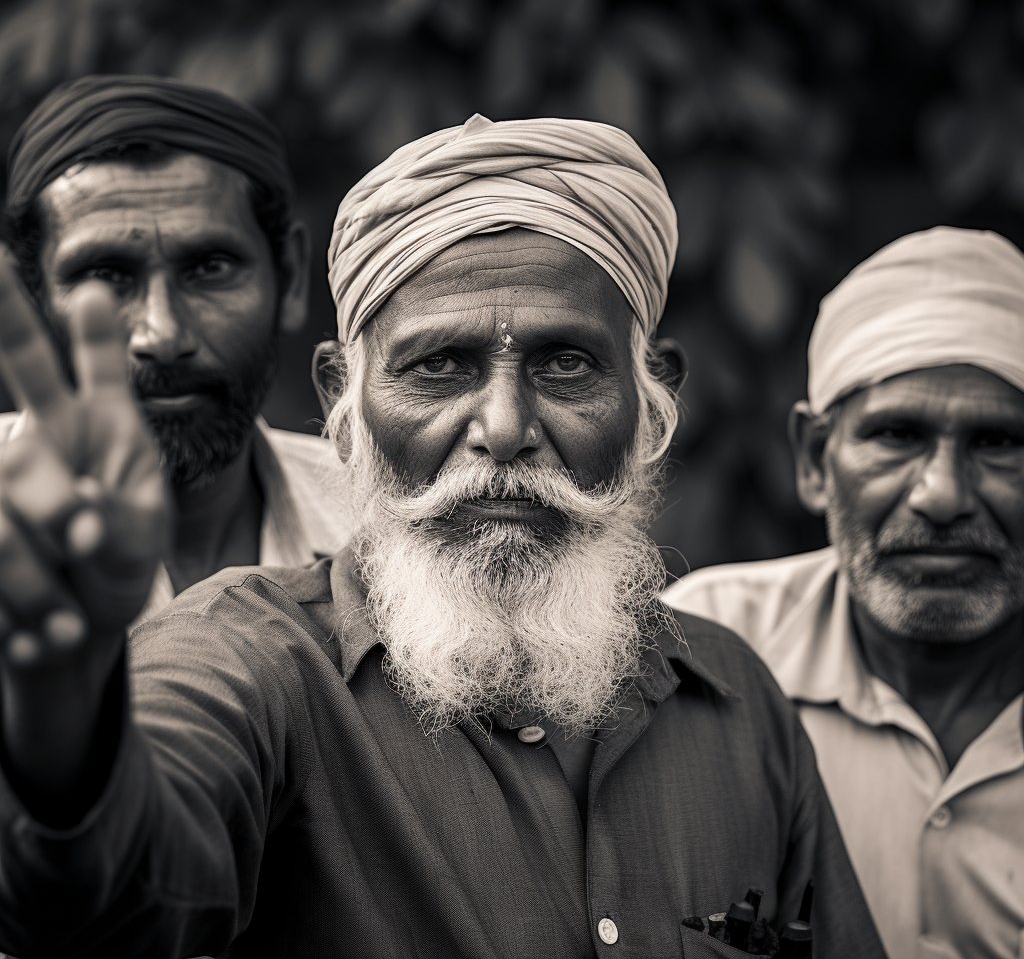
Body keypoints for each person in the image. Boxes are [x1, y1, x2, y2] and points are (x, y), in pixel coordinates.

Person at [0, 115, 885, 958]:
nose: (504, 427)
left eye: (566, 363)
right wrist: (72, 761)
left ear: (654, 397)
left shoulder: (736, 701)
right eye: (439, 367)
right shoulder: (251, 662)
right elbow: (119, 903)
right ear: (345, 407)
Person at [664, 226, 1024, 959]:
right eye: (896, 435)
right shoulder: (699, 657)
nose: (943, 496)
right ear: (815, 459)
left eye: (997, 442)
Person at [1, 75, 349, 614]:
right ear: (26, 296)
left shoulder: (388, 528)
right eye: (104, 275)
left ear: (291, 278)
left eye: (210, 268)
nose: (162, 336)